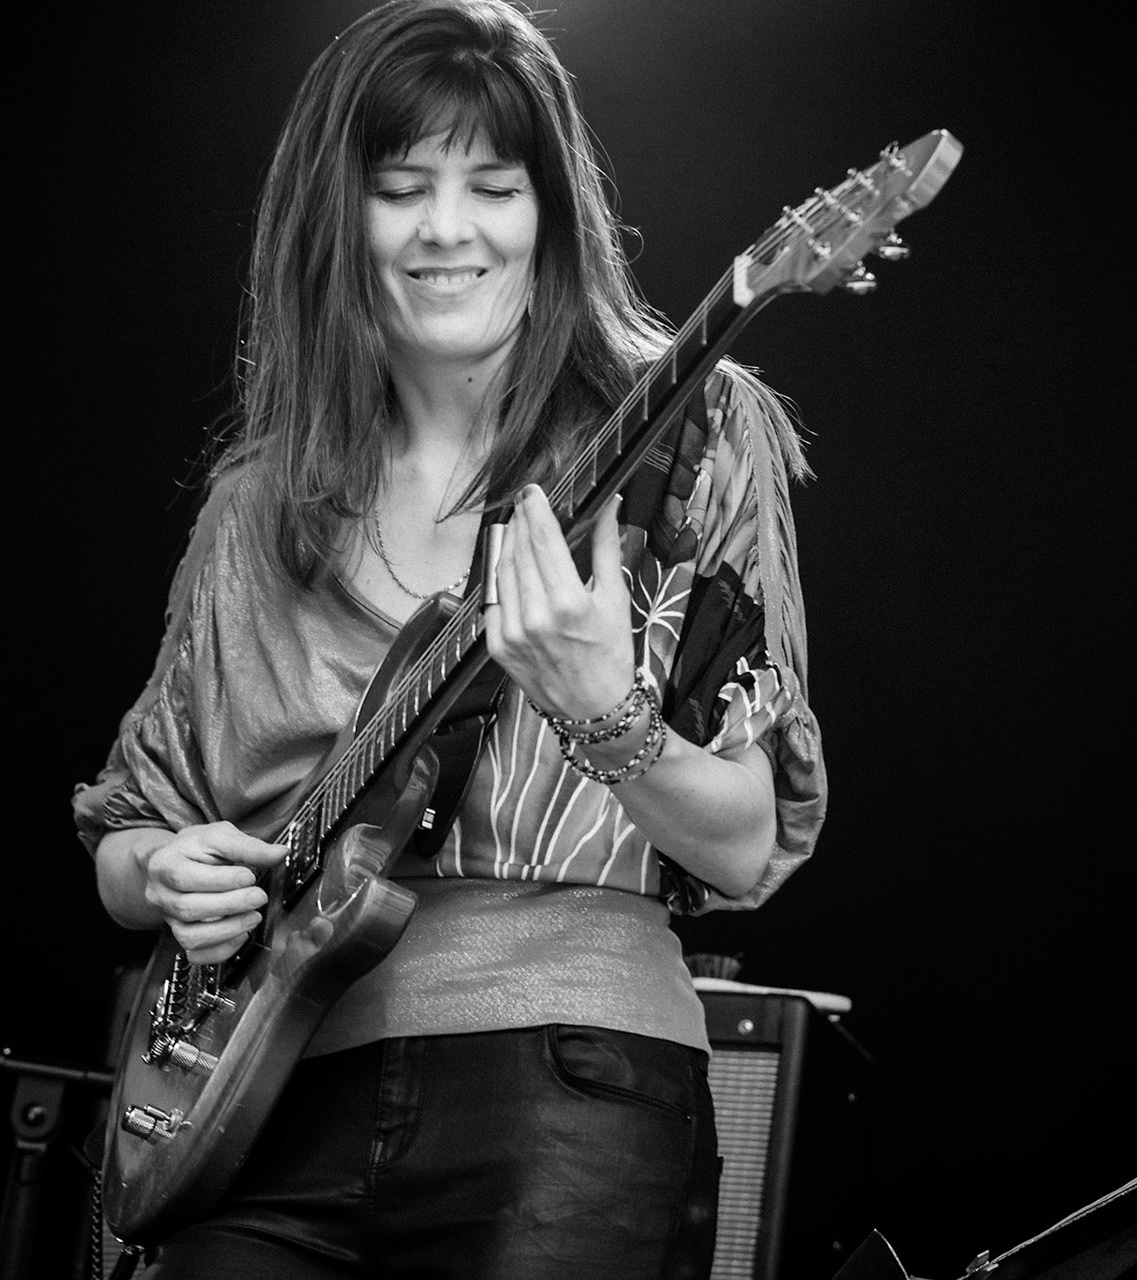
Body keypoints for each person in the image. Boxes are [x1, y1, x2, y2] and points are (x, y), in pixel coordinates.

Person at [71, 2, 826, 1275]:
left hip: (570, 1086)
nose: (447, 228)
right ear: (336, 218)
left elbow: (748, 846)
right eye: (402, 186)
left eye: (493, 185)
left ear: (551, 213)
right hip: (261, 1103)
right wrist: (162, 873)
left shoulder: (689, 437)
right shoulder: (255, 506)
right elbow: (129, 828)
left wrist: (606, 711)